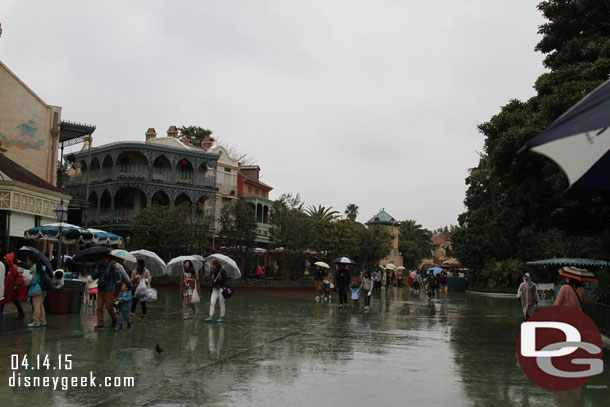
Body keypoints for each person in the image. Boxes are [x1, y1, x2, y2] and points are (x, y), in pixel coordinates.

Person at [91, 254, 122, 330]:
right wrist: (96, 271)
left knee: (109, 307)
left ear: (108, 259)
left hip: (109, 289)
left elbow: (118, 280)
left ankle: (114, 318)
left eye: (105, 258)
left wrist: (117, 272)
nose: (104, 260)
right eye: (103, 258)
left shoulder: (112, 267)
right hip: (101, 289)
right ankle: (101, 323)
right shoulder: (99, 267)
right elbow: (93, 277)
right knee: (99, 307)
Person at [0, 253, 27, 320]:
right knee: (11, 301)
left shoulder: (14, 268)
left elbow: (19, 276)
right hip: (9, 288)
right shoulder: (8, 268)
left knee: (5, 301)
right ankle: (21, 314)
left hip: (12, 288)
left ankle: (21, 314)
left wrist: (17, 284)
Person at [24, 255, 46, 328]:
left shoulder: (34, 268)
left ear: (31, 260)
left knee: (36, 305)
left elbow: (33, 280)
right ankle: (42, 320)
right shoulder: (39, 267)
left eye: (28, 259)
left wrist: (28, 281)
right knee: (40, 305)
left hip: (35, 289)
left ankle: (36, 321)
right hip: (39, 289)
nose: (27, 261)